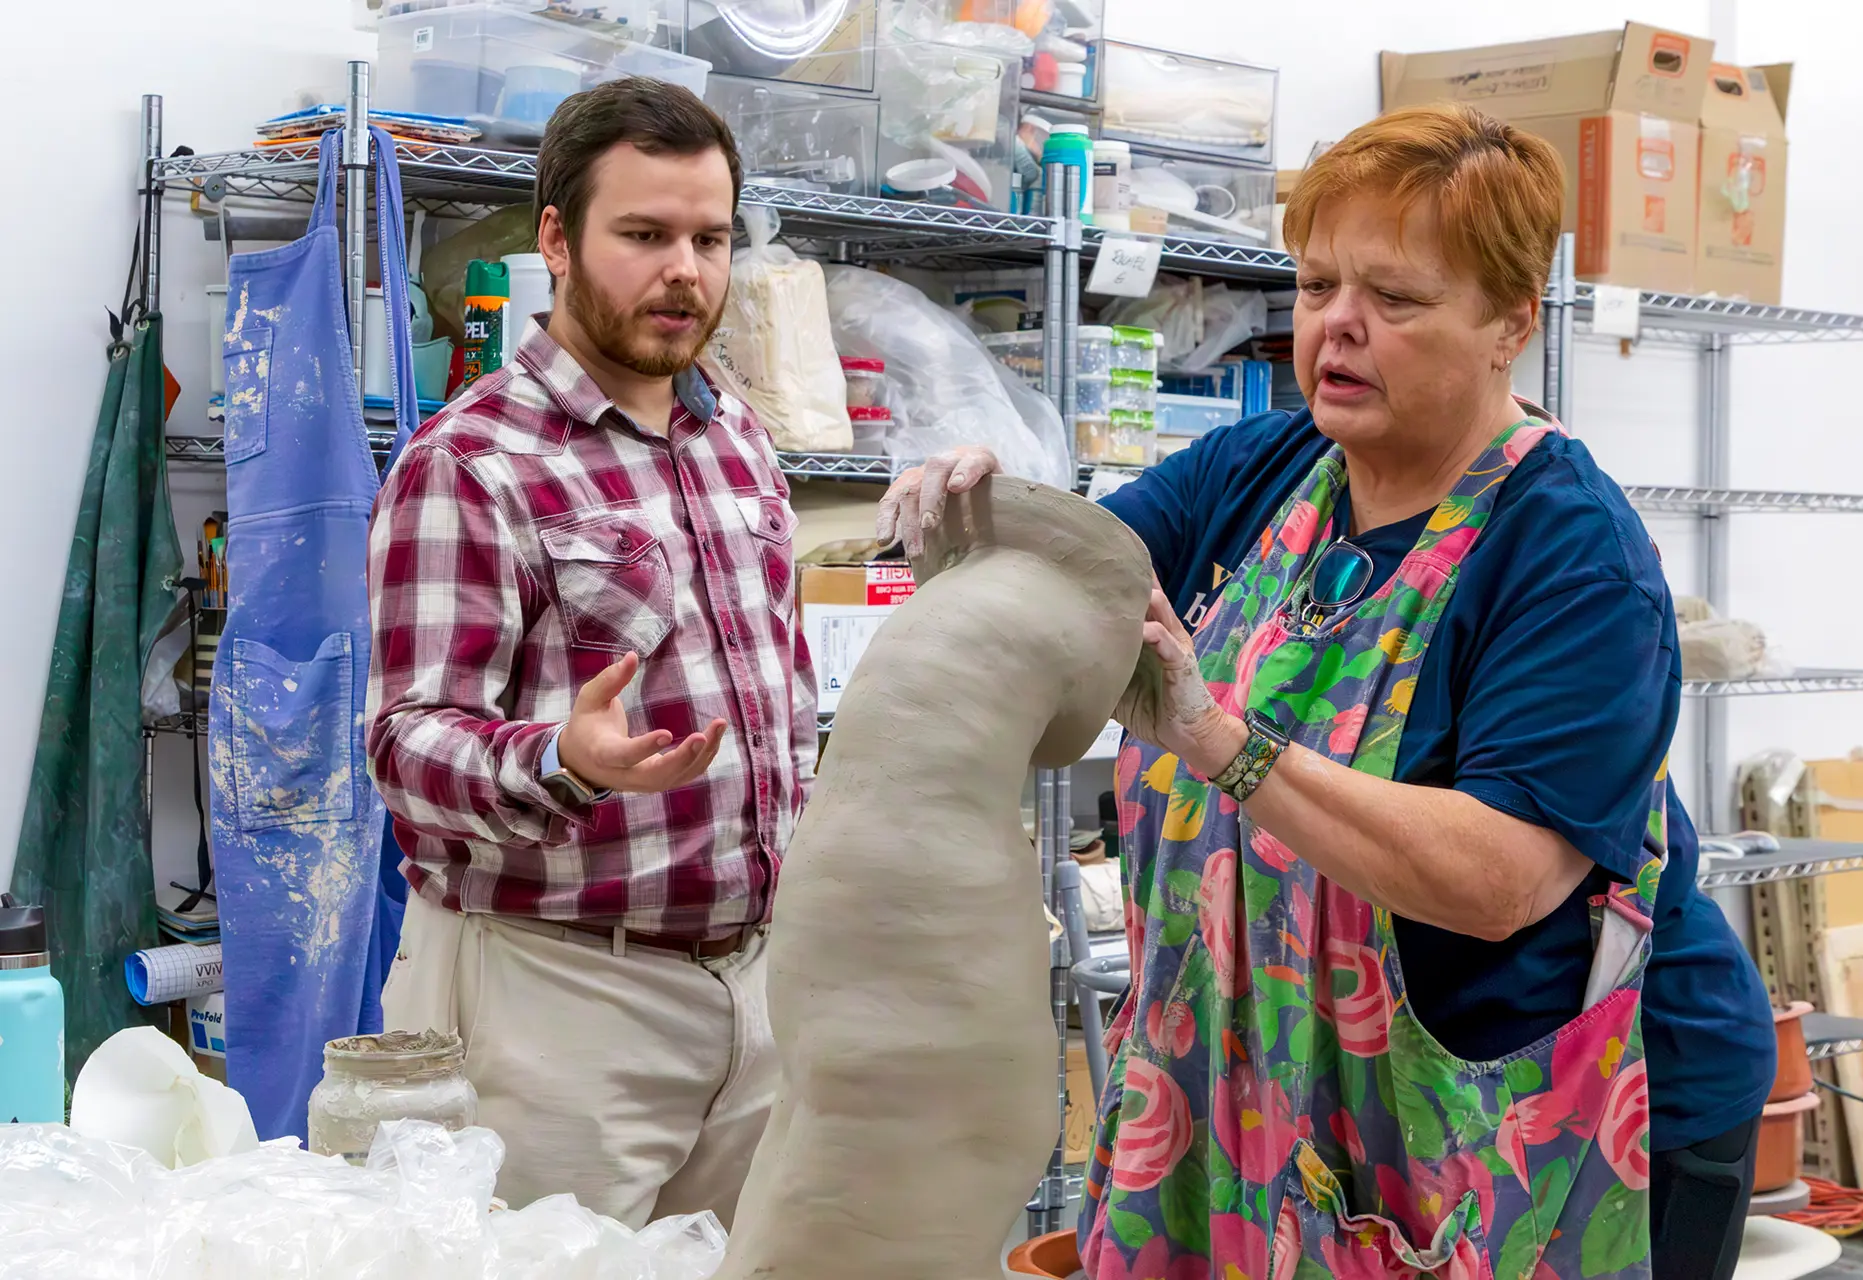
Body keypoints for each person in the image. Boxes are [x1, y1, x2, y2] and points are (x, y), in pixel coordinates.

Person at [879, 104, 1773, 1280]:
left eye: (1393, 299)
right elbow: (1067, 598)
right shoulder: (1261, 472)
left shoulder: (1567, 553)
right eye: (1315, 287)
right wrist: (981, 516)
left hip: (1534, 1109)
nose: (1338, 326)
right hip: (1271, 1082)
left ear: (1509, 323)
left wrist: (1222, 740)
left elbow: (1501, 879)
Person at [367, 79, 814, 1229]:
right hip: (556, 994)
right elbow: (405, 742)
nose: (686, 270)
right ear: (557, 239)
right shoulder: (470, 460)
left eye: (710, 238)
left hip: (756, 989)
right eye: (646, 234)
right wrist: (563, 755)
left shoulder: (736, 437)